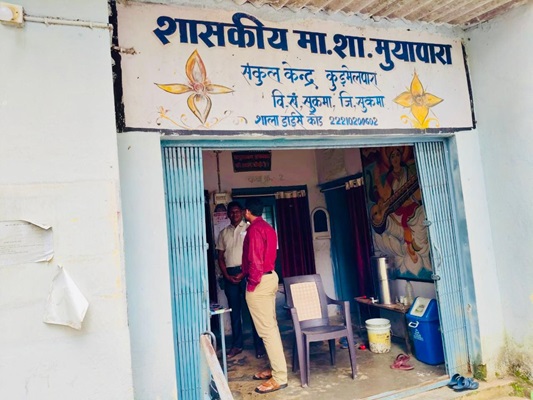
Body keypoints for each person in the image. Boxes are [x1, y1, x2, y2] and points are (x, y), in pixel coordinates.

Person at [235, 198, 288, 394]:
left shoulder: (254, 229)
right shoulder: (267, 227)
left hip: (260, 281)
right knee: (270, 327)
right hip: (270, 277)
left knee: (267, 331)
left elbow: (256, 260)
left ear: (247, 211)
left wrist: (251, 284)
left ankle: (280, 377)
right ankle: (276, 369)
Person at [216, 201, 266, 359]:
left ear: (243, 212)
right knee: (234, 312)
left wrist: (244, 273)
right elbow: (220, 257)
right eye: (231, 212)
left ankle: (259, 345)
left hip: (247, 273)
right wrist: (226, 275)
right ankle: (237, 345)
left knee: (253, 310)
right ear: (227, 214)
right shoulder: (223, 233)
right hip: (230, 275)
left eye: (237, 211)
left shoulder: (250, 228)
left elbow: (254, 254)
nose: (234, 214)